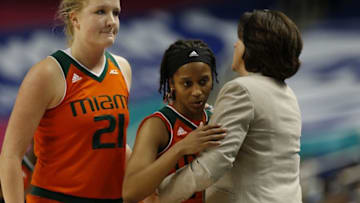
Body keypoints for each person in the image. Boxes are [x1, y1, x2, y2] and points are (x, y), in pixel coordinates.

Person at [157, 9, 304, 203]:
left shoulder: (242, 90)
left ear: (251, 49)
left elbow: (213, 164)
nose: (235, 44)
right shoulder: (287, 93)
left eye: (240, 39)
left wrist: (161, 193)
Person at [0, 0, 133, 202]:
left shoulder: (122, 68)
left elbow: (114, 144)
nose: (111, 21)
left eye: (116, 13)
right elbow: (10, 156)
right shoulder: (48, 74)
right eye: (100, 12)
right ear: (75, 18)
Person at [122, 39, 227, 203]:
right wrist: (181, 148)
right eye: (187, 84)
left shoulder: (217, 118)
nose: (197, 92)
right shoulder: (158, 126)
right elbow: (130, 192)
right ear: (172, 84)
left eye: (203, 81)